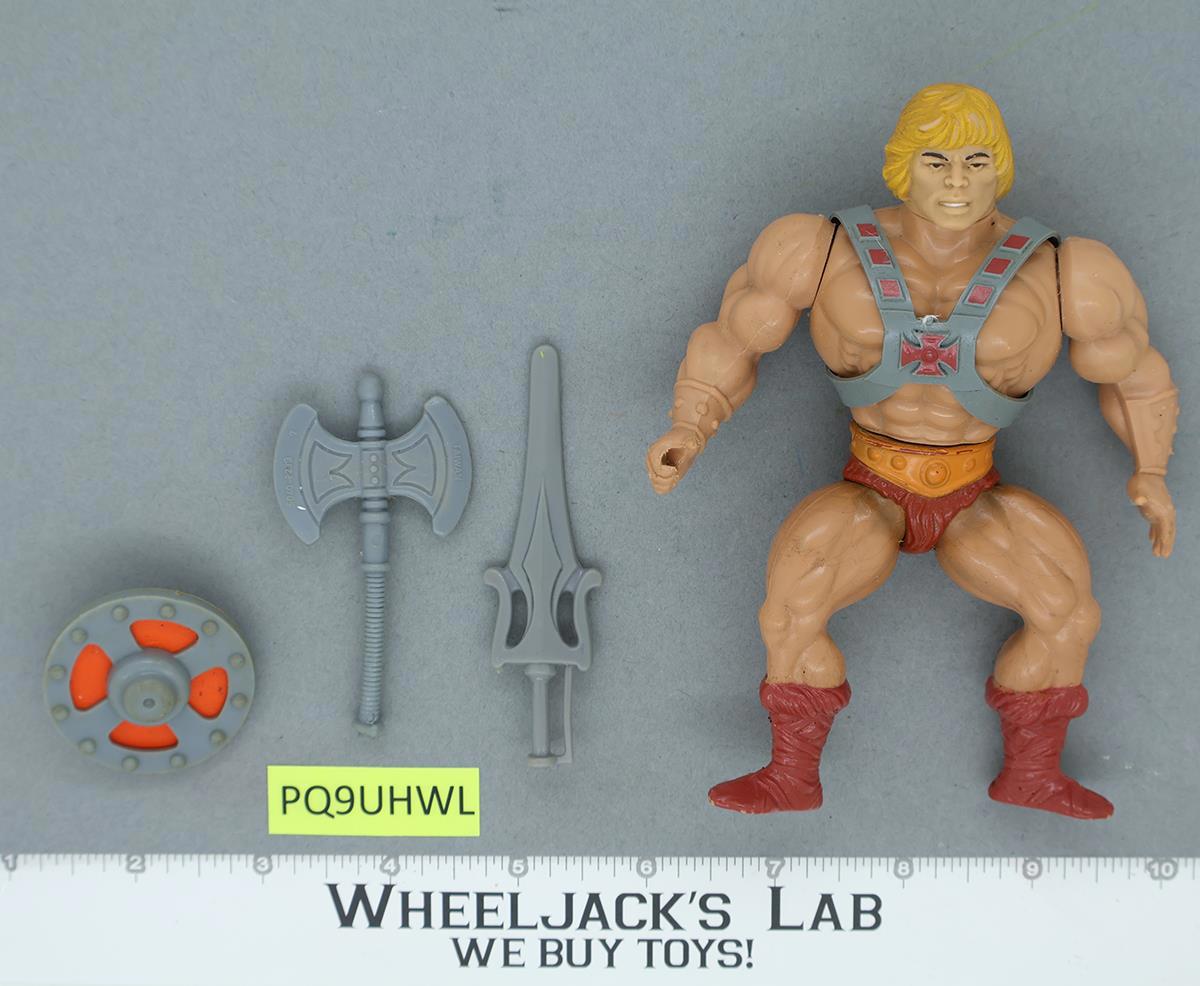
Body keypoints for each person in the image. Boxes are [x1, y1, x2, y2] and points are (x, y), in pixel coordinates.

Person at [645, 83, 1178, 819]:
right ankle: (791, 774)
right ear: (902, 166)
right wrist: (690, 425)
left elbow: (1135, 373)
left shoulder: (1066, 271)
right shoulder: (818, 247)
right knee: (791, 607)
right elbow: (735, 336)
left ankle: (1032, 774)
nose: (958, 181)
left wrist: (1151, 468)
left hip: (976, 490)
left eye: (976, 161)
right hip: (871, 482)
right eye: (936, 162)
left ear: (1001, 168)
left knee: (1068, 613)